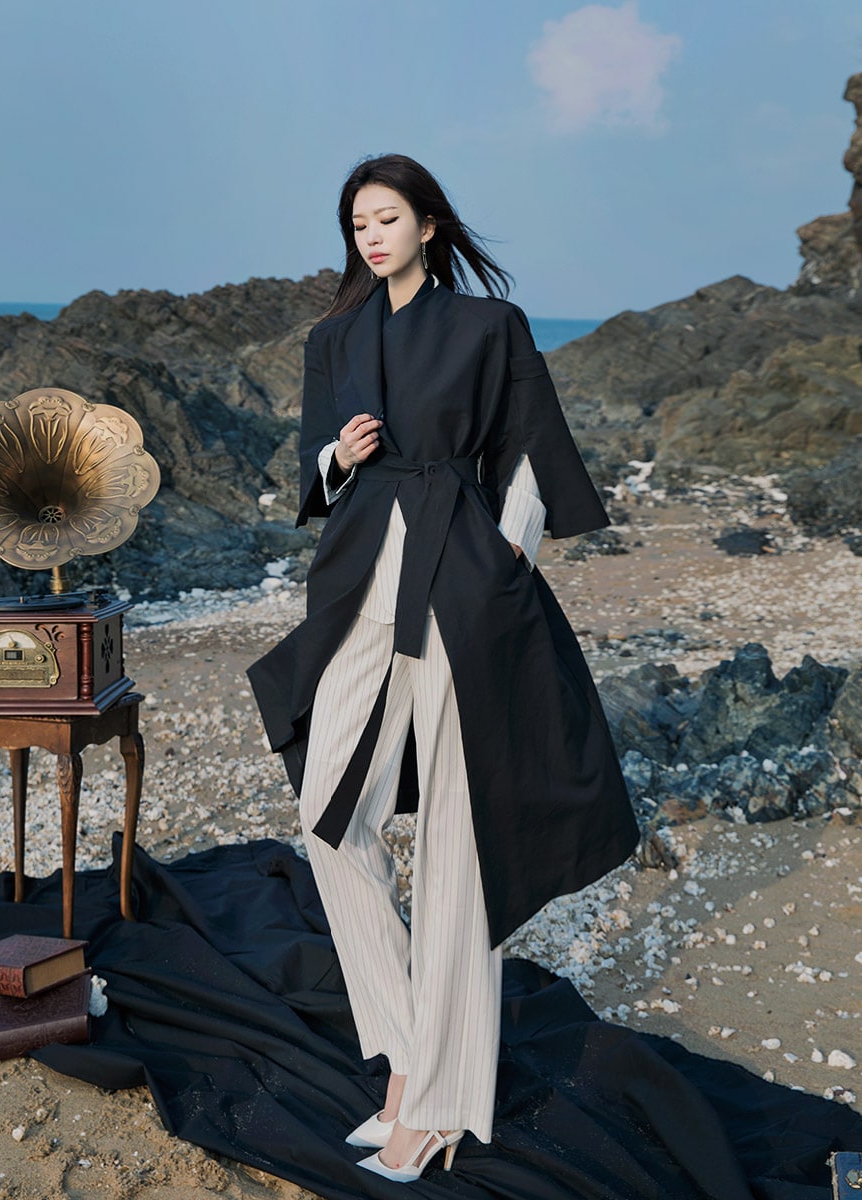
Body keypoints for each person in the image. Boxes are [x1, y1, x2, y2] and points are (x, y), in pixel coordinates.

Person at [247, 153, 639, 1183]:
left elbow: (530, 451)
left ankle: (441, 1102)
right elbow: (312, 472)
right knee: (329, 817)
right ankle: (410, 1053)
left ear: (428, 224)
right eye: (357, 224)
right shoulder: (334, 338)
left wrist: (511, 557)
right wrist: (340, 457)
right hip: (360, 581)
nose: (371, 236)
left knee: (461, 839)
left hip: (463, 585)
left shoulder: (488, 327)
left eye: (387, 218)